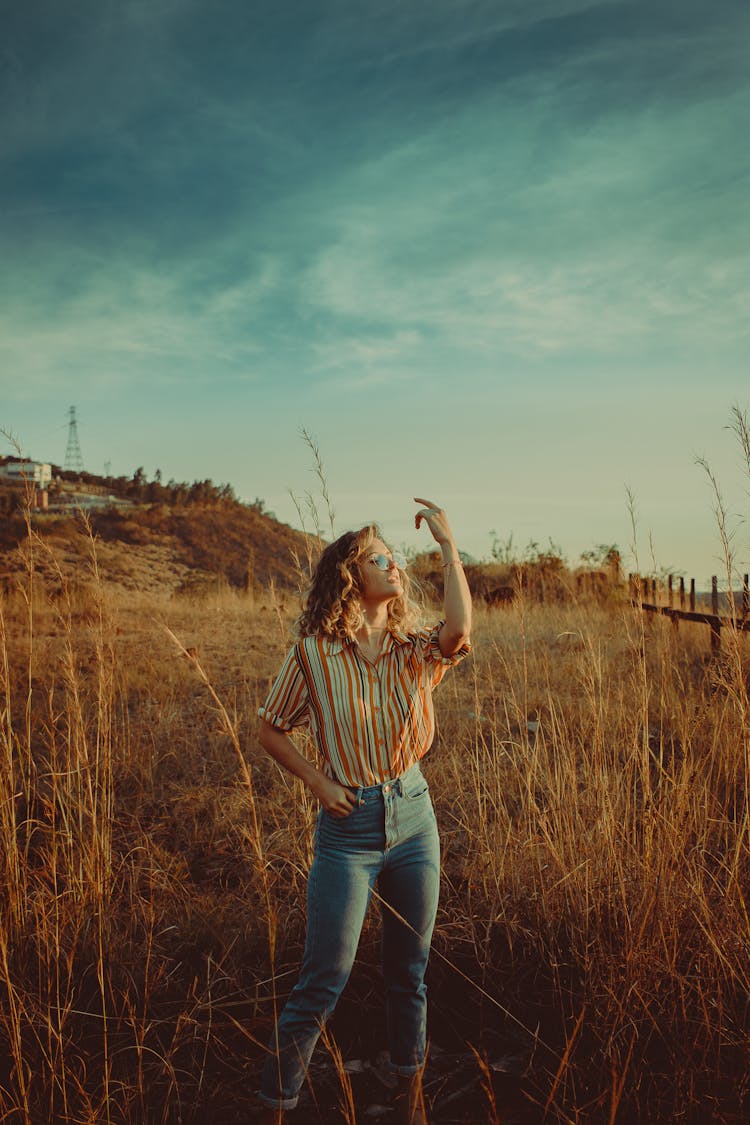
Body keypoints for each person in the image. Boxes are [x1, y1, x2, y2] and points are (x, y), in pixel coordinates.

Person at [256, 499, 472, 1124]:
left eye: (397, 556)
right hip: (346, 829)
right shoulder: (314, 653)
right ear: (351, 574)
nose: (395, 564)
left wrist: (449, 547)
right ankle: (275, 1105)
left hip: (413, 816)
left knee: (410, 970)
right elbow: (270, 730)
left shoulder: (414, 646)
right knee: (324, 977)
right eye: (381, 557)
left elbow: (459, 631)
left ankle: (409, 1099)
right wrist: (319, 782)